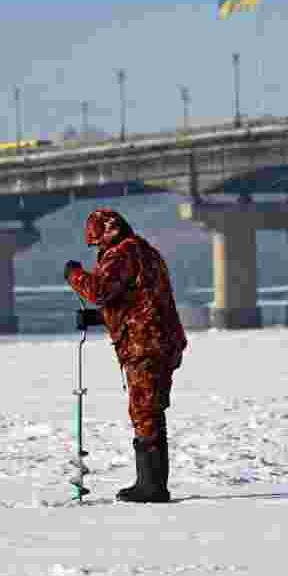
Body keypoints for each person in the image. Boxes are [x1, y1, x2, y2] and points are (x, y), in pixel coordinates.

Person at [65, 208, 187, 503]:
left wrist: (74, 274)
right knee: (149, 409)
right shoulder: (146, 252)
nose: (98, 249)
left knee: (145, 411)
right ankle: (150, 481)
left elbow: (101, 290)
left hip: (146, 344)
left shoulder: (123, 253)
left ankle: (152, 486)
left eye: (97, 243)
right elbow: (133, 302)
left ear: (107, 234)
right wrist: (100, 318)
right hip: (160, 340)